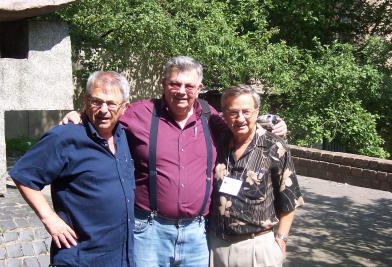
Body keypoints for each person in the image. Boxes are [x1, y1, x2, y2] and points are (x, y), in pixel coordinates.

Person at [61, 56, 288, 267]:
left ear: (199, 89)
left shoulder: (212, 118)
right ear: (163, 84)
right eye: (174, 84)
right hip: (149, 230)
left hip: (197, 233)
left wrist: (276, 123)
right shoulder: (139, 113)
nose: (181, 91)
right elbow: (106, 111)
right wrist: (78, 114)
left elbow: (242, 121)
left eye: (189, 86)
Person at [9, 71, 135, 267]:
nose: (103, 110)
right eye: (96, 102)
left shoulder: (125, 136)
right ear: (86, 100)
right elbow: (24, 175)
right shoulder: (65, 137)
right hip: (80, 258)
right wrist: (49, 218)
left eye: (111, 103)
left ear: (124, 107)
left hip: (120, 257)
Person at [209, 84, 304, 267]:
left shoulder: (274, 147)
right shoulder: (217, 142)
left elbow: (289, 200)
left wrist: (281, 240)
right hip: (216, 245)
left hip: (256, 246)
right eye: (233, 112)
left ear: (257, 111)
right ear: (224, 113)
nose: (240, 118)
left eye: (247, 112)